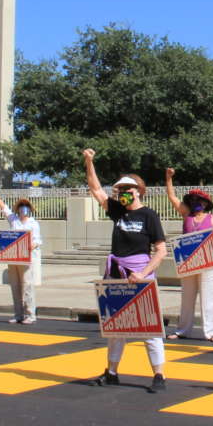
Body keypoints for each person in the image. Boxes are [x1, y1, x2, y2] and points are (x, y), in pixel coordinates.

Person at [82, 148, 168, 393]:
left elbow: (161, 250)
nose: (122, 195)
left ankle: (159, 374)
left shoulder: (149, 215)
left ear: (138, 192)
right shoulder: (117, 211)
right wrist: (89, 162)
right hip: (117, 274)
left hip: (140, 275)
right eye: (119, 191)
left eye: (127, 191)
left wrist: (143, 274)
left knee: (148, 328)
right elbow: (96, 190)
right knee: (116, 328)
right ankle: (111, 372)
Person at [164, 168, 213, 342]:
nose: (197, 202)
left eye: (200, 200)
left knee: (210, 296)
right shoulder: (186, 214)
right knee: (187, 296)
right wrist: (168, 178)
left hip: (209, 262)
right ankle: (183, 330)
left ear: (206, 203)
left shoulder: (212, 218)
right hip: (189, 261)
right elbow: (172, 197)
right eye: (194, 199)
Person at [0, 185, 43, 324]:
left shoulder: (33, 223)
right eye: (21, 206)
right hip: (13, 258)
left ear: (29, 209)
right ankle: (18, 314)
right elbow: (3, 207)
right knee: (15, 286)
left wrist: (32, 245)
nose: (23, 208)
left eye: (25, 206)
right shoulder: (13, 220)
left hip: (26, 259)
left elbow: (38, 240)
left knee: (27, 286)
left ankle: (30, 314)